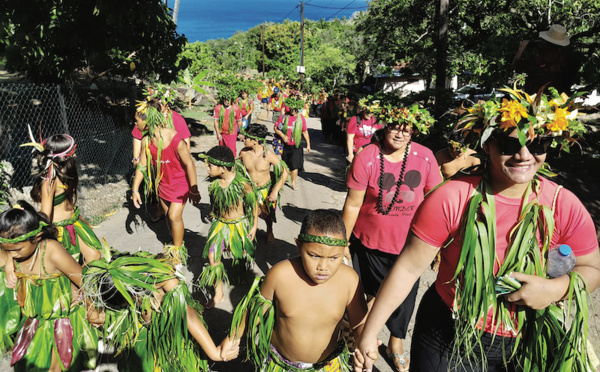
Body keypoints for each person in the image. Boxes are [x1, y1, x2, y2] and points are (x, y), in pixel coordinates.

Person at [354, 88, 600, 372]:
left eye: (538, 144)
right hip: (446, 333)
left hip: (525, 340)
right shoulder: (453, 198)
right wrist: (369, 334)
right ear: (486, 144)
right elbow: (408, 269)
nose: (524, 155)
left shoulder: (562, 204)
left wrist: (556, 288)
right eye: (509, 145)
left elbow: (591, 269)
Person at [341, 103, 442, 372]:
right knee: (365, 295)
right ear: (384, 126)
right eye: (395, 126)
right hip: (368, 244)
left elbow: (436, 200)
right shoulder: (367, 156)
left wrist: (441, 244)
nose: (400, 132)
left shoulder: (425, 157)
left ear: (414, 130)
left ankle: (395, 344)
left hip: (410, 247)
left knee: (404, 299)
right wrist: (341, 243)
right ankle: (364, 340)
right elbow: (352, 204)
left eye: (406, 128)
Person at [224, 209, 368, 372]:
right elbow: (256, 310)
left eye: (334, 258)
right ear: (299, 246)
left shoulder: (349, 280)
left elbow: (359, 324)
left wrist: (366, 343)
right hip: (279, 364)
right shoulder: (280, 275)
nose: (323, 267)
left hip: (327, 366)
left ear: (344, 250)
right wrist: (233, 337)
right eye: (314, 255)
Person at [81, 251, 240, 371]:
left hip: (171, 337)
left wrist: (213, 352)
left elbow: (187, 313)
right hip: (148, 337)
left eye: (123, 304)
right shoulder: (123, 276)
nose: (125, 307)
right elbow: (87, 269)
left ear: (129, 291)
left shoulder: (162, 278)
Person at [0, 201, 98, 372]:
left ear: (37, 237)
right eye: (7, 250)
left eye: (16, 250)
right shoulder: (15, 254)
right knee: (27, 366)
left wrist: (92, 310)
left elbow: (82, 280)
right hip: (36, 320)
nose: (13, 254)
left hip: (65, 318)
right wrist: (9, 263)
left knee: (56, 368)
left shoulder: (51, 250)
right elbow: (11, 253)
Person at [131, 97, 200, 267]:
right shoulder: (147, 141)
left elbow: (189, 163)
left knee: (173, 215)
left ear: (147, 122)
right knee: (169, 218)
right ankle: (176, 240)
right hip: (163, 184)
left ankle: (177, 253)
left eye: (137, 121)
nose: (135, 124)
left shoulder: (175, 139)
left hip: (180, 184)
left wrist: (194, 189)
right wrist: (135, 189)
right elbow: (142, 166)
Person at [23, 132, 102, 265]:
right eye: (73, 152)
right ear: (65, 157)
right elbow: (45, 215)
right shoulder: (49, 181)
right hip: (59, 231)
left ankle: (83, 282)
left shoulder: (66, 174)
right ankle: (77, 284)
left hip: (74, 223)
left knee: (95, 256)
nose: (76, 155)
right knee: (73, 264)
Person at [197, 146, 258, 308]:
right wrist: (213, 214)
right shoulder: (214, 183)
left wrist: (254, 225)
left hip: (238, 226)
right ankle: (219, 294)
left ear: (222, 169)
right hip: (219, 225)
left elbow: (253, 204)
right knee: (212, 258)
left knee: (240, 256)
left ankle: (242, 284)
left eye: (210, 166)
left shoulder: (243, 184)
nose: (208, 169)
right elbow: (214, 202)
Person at [131, 87, 192, 223]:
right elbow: (137, 137)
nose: (157, 104)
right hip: (154, 163)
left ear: (167, 103)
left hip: (174, 169)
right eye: (155, 101)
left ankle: (175, 233)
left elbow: (186, 143)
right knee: (157, 191)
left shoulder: (177, 119)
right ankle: (160, 209)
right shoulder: (144, 117)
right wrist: (136, 157)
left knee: (173, 214)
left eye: (160, 101)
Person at [238, 124, 289, 245]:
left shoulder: (268, 155)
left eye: (246, 137)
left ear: (255, 140)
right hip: (250, 191)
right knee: (248, 213)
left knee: (268, 215)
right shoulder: (243, 153)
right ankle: (249, 235)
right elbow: (237, 170)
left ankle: (269, 230)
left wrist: (275, 190)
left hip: (265, 190)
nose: (243, 139)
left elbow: (285, 171)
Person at [512, 24, 579, 94]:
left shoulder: (540, 57)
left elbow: (516, 67)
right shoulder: (566, 58)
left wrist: (521, 49)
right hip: (558, 97)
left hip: (536, 97)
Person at [273, 96, 311, 191]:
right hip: (285, 146)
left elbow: (305, 132)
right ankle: (284, 179)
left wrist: (308, 145)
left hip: (296, 146)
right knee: (286, 164)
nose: (292, 111)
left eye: (295, 109)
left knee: (294, 165)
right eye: (291, 108)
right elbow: (276, 128)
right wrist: (283, 136)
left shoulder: (301, 119)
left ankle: (293, 183)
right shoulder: (284, 117)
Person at [346, 98, 383, 163]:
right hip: (356, 152)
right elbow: (350, 137)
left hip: (369, 153)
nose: (369, 114)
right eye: (367, 112)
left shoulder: (375, 120)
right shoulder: (355, 119)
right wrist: (350, 154)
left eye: (372, 112)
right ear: (363, 110)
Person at [213, 88, 243, 155]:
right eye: (225, 100)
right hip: (222, 133)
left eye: (228, 100)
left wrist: (241, 132)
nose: (227, 101)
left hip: (232, 133)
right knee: (221, 150)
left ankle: (231, 164)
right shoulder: (218, 108)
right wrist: (218, 133)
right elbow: (216, 121)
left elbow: (239, 121)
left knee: (231, 150)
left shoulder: (236, 108)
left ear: (231, 100)